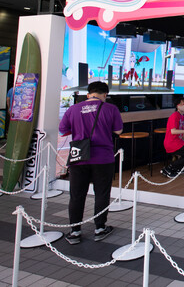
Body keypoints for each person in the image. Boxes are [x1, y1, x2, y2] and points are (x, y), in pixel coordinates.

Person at [58, 81, 123, 245]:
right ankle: (100, 228)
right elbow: (118, 130)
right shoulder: (111, 109)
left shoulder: (73, 109)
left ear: (88, 94)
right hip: (103, 158)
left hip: (79, 157)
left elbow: (63, 130)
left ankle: (75, 231)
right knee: (101, 193)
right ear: (105, 94)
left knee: (76, 195)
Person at [161, 97, 184, 178]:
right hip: (171, 143)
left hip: (178, 142)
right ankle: (169, 168)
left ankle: (177, 168)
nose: (183, 105)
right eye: (181, 104)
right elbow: (173, 131)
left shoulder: (183, 118)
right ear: (177, 105)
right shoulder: (174, 116)